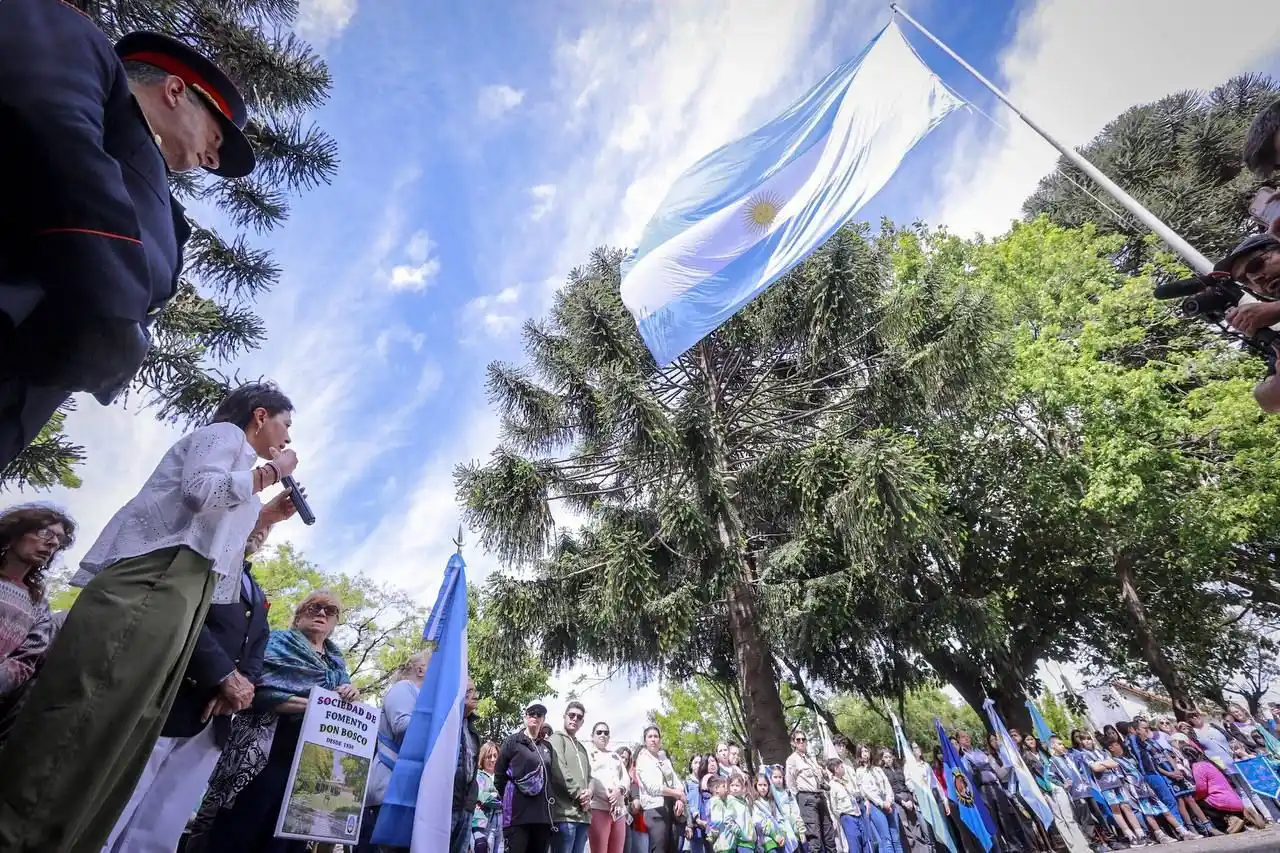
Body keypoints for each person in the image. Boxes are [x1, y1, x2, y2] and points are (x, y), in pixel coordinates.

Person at [0, 381, 299, 851]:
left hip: (186, 590)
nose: (287, 439)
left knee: (124, 728)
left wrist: (263, 518)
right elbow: (202, 493)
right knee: (93, 710)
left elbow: (211, 535)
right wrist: (271, 472)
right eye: (285, 425)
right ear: (261, 416)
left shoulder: (239, 462)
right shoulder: (224, 436)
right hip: (154, 579)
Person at [0, 1, 256, 471]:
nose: (214, 162)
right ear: (176, 90)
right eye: (217, 140)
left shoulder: (171, 218)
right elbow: (51, 124)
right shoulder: (81, 47)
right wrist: (114, 320)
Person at [104, 526, 274, 853]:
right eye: (255, 522)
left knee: (166, 818)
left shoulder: (258, 594)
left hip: (215, 718)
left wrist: (240, 689)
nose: (260, 532)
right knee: (121, 801)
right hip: (169, 699)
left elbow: (257, 650)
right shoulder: (203, 566)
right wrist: (222, 675)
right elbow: (185, 619)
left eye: (266, 531)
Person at [203, 589, 356, 853]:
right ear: (298, 617)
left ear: (334, 623)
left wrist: (348, 694)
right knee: (240, 830)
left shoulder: (337, 665)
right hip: (265, 752)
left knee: (286, 841)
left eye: (329, 611)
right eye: (314, 607)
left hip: (312, 765)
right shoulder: (275, 642)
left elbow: (340, 708)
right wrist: (318, 704)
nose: (321, 613)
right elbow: (255, 689)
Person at [0, 504, 74, 742]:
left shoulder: (38, 606)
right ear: (15, 533)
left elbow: (25, 661)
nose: (53, 543)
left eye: (59, 540)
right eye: (45, 533)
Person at [357, 651, 430, 853]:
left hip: (401, 791)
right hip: (387, 791)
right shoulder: (403, 688)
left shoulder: (419, 696)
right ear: (421, 669)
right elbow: (403, 726)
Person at [496, 703, 555, 853]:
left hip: (542, 817)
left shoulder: (547, 747)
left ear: (543, 719)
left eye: (539, 714)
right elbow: (499, 776)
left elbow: (551, 779)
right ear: (525, 715)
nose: (535, 716)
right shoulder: (512, 742)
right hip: (517, 816)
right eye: (532, 713)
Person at [1182, 742, 1266, 833]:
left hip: (1221, 801)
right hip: (1234, 799)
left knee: (1198, 803)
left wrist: (1196, 797)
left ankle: (1230, 819)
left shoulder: (1197, 767)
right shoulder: (1209, 764)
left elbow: (1202, 789)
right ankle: (1246, 818)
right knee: (1213, 800)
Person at [549, 701, 593, 853]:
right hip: (564, 816)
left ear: (582, 722)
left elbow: (590, 777)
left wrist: (589, 792)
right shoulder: (556, 739)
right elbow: (559, 769)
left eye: (579, 717)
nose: (574, 719)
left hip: (583, 817)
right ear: (564, 716)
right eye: (571, 715)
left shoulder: (582, 748)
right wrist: (579, 793)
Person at [635, 724, 685, 853]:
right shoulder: (643, 759)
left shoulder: (663, 758)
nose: (653, 739)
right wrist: (676, 794)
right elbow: (653, 787)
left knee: (672, 847)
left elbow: (676, 782)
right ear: (645, 740)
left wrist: (679, 799)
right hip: (654, 810)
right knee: (659, 849)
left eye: (656, 736)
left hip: (670, 808)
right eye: (650, 737)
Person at [785, 729, 837, 852]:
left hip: (820, 795)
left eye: (803, 739)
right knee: (814, 837)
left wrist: (822, 772)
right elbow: (790, 783)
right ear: (793, 743)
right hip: (806, 798)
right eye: (798, 740)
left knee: (828, 833)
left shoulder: (810, 758)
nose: (801, 742)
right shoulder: (792, 760)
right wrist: (800, 798)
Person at [587, 720, 628, 853]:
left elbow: (626, 778)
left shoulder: (615, 756)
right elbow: (591, 779)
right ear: (592, 736)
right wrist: (610, 797)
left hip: (619, 811)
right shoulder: (588, 755)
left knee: (617, 850)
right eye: (599, 732)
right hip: (599, 807)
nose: (603, 735)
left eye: (606, 733)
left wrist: (619, 790)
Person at [855, 745, 903, 853]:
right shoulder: (859, 771)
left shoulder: (877, 769)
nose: (865, 754)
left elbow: (887, 785)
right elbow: (867, 791)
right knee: (886, 839)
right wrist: (882, 803)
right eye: (862, 752)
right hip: (876, 806)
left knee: (896, 838)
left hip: (889, 803)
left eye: (867, 751)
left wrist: (889, 800)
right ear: (859, 755)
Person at [827, 758, 869, 853]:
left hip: (858, 813)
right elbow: (833, 806)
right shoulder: (832, 786)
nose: (844, 768)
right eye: (842, 767)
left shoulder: (846, 781)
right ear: (836, 769)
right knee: (855, 844)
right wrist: (842, 816)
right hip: (848, 816)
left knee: (865, 842)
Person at [476, 741, 504, 853]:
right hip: (486, 824)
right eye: (489, 756)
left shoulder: (502, 776)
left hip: (501, 826)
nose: (493, 760)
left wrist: (495, 796)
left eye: (495, 756)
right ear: (483, 758)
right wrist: (503, 803)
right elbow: (485, 798)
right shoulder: (478, 776)